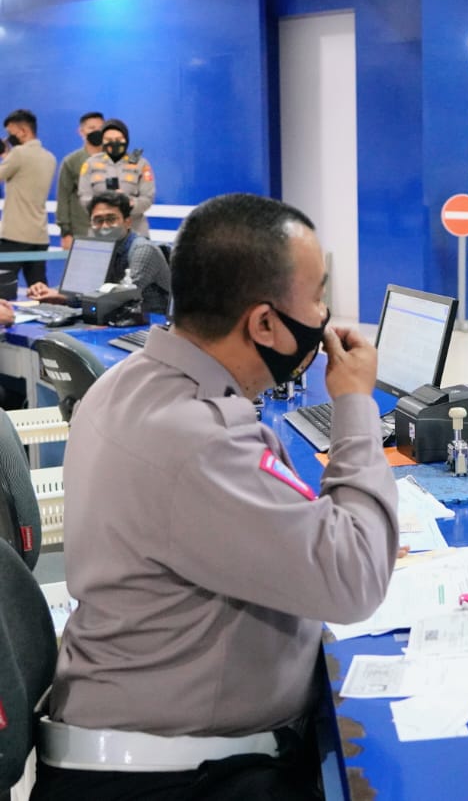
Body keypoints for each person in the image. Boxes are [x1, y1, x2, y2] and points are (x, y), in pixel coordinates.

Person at [34, 193, 398, 801]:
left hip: (134, 740)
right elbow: (356, 577)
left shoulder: (130, 383)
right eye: (317, 296)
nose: (325, 314)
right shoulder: (198, 440)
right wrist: (355, 404)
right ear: (264, 324)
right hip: (175, 778)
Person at [29, 192, 172, 315]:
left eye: (111, 219)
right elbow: (82, 287)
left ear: (127, 222)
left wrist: (64, 298)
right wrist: (48, 291)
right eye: (98, 220)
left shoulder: (142, 250)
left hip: (151, 325)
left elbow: (120, 297)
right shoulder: (98, 249)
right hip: (116, 320)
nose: (104, 226)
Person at [0, 109, 58, 297]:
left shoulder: (18, 154)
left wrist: (7, 156)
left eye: (11, 133)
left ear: (23, 131)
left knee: (3, 289)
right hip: (39, 236)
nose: (8, 138)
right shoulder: (50, 158)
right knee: (40, 291)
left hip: (14, 235)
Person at [78, 117, 156, 236]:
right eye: (108, 139)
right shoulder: (90, 163)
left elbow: (147, 199)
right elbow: (84, 197)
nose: (114, 143)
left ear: (126, 139)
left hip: (135, 231)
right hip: (100, 232)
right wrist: (106, 206)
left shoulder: (141, 164)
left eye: (119, 139)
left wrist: (127, 202)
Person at [55, 111, 105, 249]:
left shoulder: (114, 159)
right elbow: (63, 197)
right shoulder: (71, 161)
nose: (97, 132)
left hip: (110, 232)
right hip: (81, 232)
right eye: (91, 128)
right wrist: (66, 232)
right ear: (81, 131)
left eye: (100, 128)